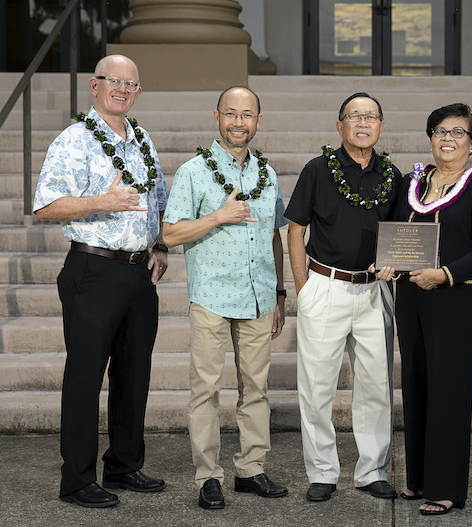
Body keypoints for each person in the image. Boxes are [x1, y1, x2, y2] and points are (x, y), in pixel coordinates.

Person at [33, 55, 169, 508]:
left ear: (138, 92)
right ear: (95, 85)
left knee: (134, 374)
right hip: (92, 271)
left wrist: (161, 247)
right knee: (85, 376)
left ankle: (124, 465)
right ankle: (76, 480)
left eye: (131, 84)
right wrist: (101, 200)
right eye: (114, 81)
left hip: (138, 272)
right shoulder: (73, 140)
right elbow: (46, 207)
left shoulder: (143, 139)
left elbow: (158, 202)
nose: (123, 90)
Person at [162, 87, 289, 509]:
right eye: (231, 114)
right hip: (212, 296)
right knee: (207, 389)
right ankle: (208, 476)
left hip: (258, 298)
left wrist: (279, 294)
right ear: (216, 116)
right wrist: (218, 215)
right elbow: (170, 233)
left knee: (256, 389)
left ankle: (251, 469)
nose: (239, 122)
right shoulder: (193, 172)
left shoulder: (267, 175)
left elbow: (274, 234)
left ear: (258, 120)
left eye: (247, 114)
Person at [285, 92, 402, 502]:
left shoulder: (392, 175)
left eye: (371, 116)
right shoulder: (317, 169)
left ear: (382, 127)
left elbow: (400, 236)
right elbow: (295, 230)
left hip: (374, 293)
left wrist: (395, 265)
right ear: (340, 126)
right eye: (355, 116)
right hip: (325, 286)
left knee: (375, 385)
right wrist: (304, 288)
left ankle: (372, 471)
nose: (363, 122)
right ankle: (322, 472)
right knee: (316, 387)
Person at [388, 103, 472, 515]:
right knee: (417, 386)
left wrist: (445, 274)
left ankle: (446, 488)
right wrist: (388, 261)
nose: (447, 138)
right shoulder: (411, 183)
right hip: (412, 298)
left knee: (448, 393)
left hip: (455, 299)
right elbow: (398, 237)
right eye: (439, 130)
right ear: (430, 137)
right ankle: (418, 481)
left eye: (458, 132)